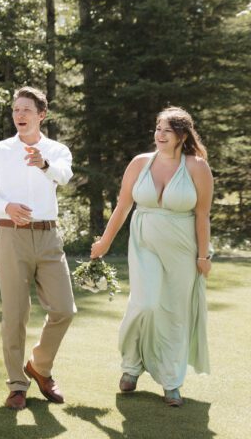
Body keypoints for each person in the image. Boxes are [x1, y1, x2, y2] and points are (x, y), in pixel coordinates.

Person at [90, 107, 212, 406]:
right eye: (157, 128)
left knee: (173, 313)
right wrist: (105, 241)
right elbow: (122, 207)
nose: (159, 135)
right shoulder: (140, 163)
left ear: (181, 136)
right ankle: (131, 365)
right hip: (143, 242)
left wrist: (203, 255)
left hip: (183, 248)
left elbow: (203, 215)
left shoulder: (197, 167)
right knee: (144, 304)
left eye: (166, 131)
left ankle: (171, 381)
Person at [0, 86, 75, 411]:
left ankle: (39, 367)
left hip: (48, 238)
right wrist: (7, 207)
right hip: (11, 236)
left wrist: (44, 164)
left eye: (26, 110)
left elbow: (64, 175)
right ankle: (17, 384)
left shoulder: (57, 150)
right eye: (16, 110)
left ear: (41, 115)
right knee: (15, 313)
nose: (19, 115)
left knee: (63, 309)